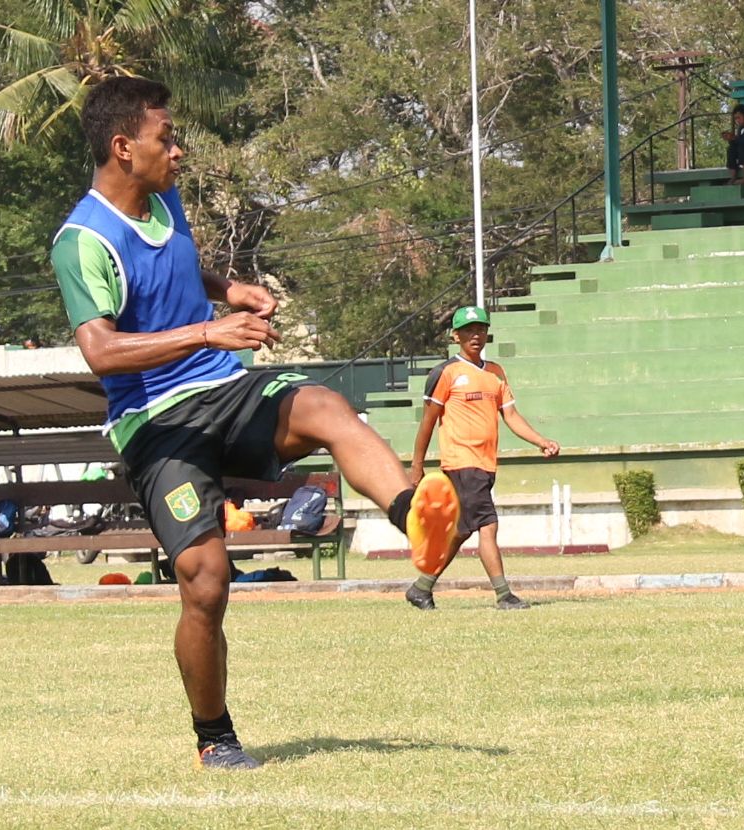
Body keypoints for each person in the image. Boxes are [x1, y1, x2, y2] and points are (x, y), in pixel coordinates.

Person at [50, 77, 460, 770]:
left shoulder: (165, 199)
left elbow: (178, 265)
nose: (178, 151)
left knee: (328, 407)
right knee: (206, 579)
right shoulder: (82, 242)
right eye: (165, 139)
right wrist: (211, 330)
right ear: (123, 148)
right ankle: (215, 737)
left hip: (223, 392)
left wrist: (227, 287)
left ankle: (411, 518)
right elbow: (101, 351)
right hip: (156, 426)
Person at [406, 305, 560, 611]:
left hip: (485, 464)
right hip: (462, 463)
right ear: (455, 336)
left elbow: (511, 416)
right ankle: (504, 595)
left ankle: (421, 588)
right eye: (468, 331)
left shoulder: (495, 373)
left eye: (480, 329)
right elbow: (428, 421)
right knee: (488, 526)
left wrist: (540, 441)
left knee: (461, 531)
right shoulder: (446, 373)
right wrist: (417, 465)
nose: (475, 336)